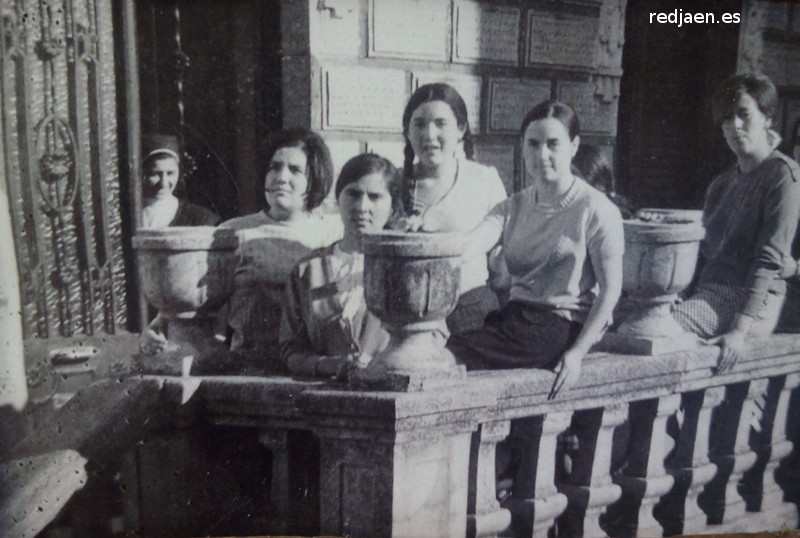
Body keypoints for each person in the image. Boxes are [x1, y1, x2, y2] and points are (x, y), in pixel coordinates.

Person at [447, 100, 624, 399]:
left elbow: (610, 291)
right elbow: (470, 244)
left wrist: (577, 354)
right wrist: (430, 243)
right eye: (533, 144)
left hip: (559, 326)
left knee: (449, 357)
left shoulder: (596, 209)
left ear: (574, 146)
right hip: (515, 320)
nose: (542, 155)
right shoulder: (513, 205)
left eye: (553, 144)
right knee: (446, 351)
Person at [140, 129, 342, 367]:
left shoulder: (334, 234)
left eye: (295, 170)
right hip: (251, 369)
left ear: (315, 178)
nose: (281, 177)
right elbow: (190, 301)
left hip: (317, 368)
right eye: (274, 167)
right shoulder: (232, 233)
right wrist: (153, 332)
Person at [673, 74, 800, 370]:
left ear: (767, 117)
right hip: (709, 296)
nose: (735, 126)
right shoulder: (721, 184)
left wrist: (740, 330)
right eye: (727, 119)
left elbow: (769, 259)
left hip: (752, 300)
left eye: (744, 115)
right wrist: (677, 295)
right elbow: (703, 252)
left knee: (663, 330)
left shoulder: (783, 176)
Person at [280, 153, 403, 378]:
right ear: (338, 198)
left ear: (393, 208)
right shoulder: (307, 270)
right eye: (353, 194)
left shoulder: (403, 270)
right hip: (321, 399)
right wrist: (328, 365)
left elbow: (430, 340)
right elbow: (290, 351)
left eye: (375, 197)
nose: (362, 206)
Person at [399, 83, 509, 335]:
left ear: (461, 129)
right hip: (405, 316)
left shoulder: (483, 179)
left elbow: (506, 256)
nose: (429, 134)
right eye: (419, 124)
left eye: (440, 123)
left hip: (471, 311)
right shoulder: (392, 182)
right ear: (407, 132)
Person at [140, 134, 220, 228]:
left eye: (170, 173)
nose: (164, 183)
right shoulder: (127, 215)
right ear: (142, 174)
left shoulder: (201, 219)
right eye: (155, 174)